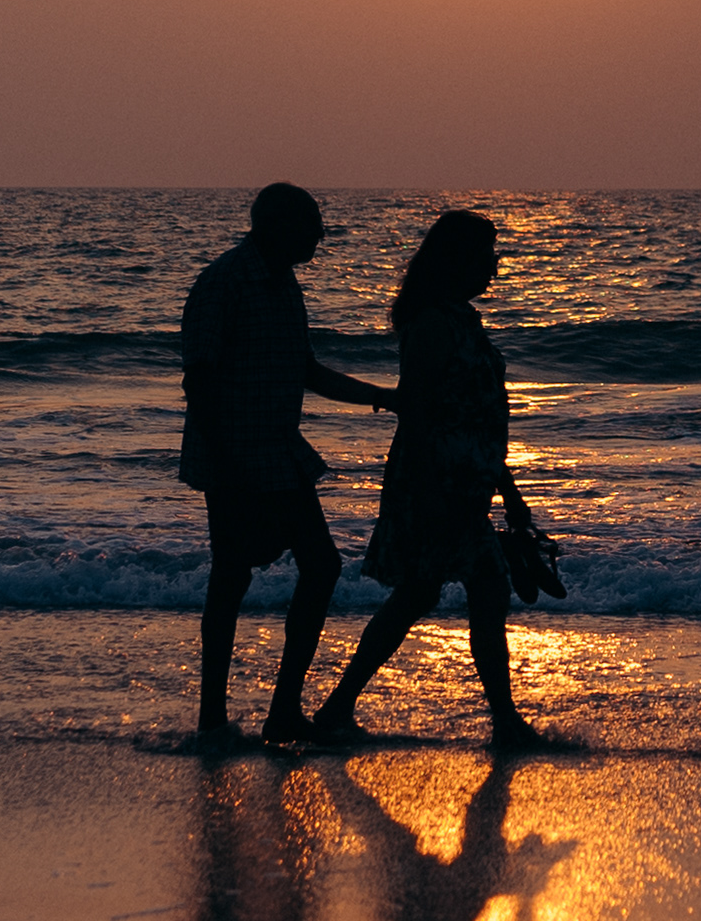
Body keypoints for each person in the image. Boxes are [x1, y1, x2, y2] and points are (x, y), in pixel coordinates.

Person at [309, 208, 548, 749]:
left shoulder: (461, 319)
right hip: (436, 483)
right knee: (464, 590)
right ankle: (505, 723)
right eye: (486, 254)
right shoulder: (434, 325)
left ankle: (339, 708)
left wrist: (509, 491)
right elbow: (415, 413)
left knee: (431, 594)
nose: (495, 265)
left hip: (467, 483)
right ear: (457, 260)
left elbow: (481, 416)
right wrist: (431, 495)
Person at [180, 180, 399, 748]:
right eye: (311, 227)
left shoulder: (283, 284)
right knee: (232, 577)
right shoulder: (224, 282)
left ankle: (281, 713)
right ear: (276, 227)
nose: (320, 237)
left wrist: (382, 398)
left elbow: (308, 371)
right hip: (234, 456)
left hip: (278, 451)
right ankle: (212, 720)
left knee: (319, 567)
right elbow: (199, 380)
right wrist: (224, 465)